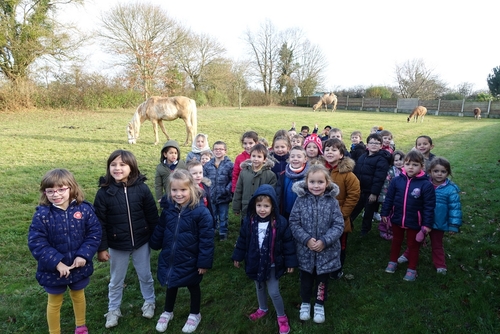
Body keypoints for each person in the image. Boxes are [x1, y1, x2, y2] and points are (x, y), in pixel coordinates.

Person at [28, 169, 101, 334]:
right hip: (53, 270)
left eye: (61, 189)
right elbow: (37, 242)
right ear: (45, 192)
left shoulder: (84, 210)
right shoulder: (42, 215)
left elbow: (94, 233)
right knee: (54, 302)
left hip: (78, 266)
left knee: (78, 295)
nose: (56, 194)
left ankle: (81, 326)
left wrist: (84, 255)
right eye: (50, 191)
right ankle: (54, 331)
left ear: (72, 188)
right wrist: (57, 263)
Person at [94, 150, 159, 328]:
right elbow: (99, 223)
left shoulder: (142, 189)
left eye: (122, 164)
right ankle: (113, 309)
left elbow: (152, 215)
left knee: (145, 275)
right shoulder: (104, 193)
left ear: (131, 167)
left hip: (141, 242)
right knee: (116, 280)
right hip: (117, 245)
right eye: (113, 164)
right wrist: (102, 248)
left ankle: (149, 302)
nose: (117, 168)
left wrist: (157, 238)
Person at [150, 169, 214, 333]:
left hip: (191, 259)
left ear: (192, 189)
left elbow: (207, 240)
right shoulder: (169, 209)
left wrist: (203, 262)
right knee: (171, 283)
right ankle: (168, 311)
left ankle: (194, 314)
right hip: (171, 257)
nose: (178, 194)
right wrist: (155, 242)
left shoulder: (201, 212)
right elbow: (162, 227)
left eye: (183, 190)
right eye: (174, 190)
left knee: (193, 285)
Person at [232, 185, 298, 334]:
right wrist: (238, 256)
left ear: (273, 206)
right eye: (259, 205)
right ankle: (263, 308)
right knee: (259, 286)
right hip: (255, 262)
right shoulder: (249, 222)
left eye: (266, 206)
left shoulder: (279, 223)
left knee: (273, 291)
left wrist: (290, 262)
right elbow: (243, 240)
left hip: (273, 264)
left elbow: (288, 244)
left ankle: (282, 317)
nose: (262, 209)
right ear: (254, 206)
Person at [288, 164, 344, 324]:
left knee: (322, 280)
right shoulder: (300, 200)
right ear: (306, 182)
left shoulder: (332, 202)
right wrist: (306, 239)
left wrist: (324, 241)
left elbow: (338, 225)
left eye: (320, 182)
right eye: (312, 182)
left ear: (327, 183)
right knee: (305, 279)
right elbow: (294, 222)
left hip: (326, 251)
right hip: (305, 250)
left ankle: (319, 304)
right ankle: (305, 302)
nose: (316, 186)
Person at [398, 157, 462, 275]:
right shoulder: (424, 184)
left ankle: (440, 264)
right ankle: (407, 254)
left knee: (437, 244)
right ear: (430, 172)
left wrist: (453, 225)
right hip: (422, 220)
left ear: (448, 173)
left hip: (438, 222)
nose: (439, 174)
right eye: (436, 171)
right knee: (415, 240)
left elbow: (455, 208)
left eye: (443, 172)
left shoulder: (450, 190)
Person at [380, 150, 435, 282]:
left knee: (413, 245)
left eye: (415, 164)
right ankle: (393, 261)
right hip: (397, 218)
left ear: (422, 166)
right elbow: (389, 198)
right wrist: (385, 212)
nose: (411, 167)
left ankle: (412, 269)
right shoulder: (397, 181)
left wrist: (427, 224)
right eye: (408, 164)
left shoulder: (426, 184)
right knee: (396, 241)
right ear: (403, 165)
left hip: (415, 221)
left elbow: (429, 206)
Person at [322, 139, 360, 279]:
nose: (330, 152)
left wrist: (342, 214)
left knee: (339, 245)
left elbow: (354, 195)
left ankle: (336, 270)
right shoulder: (319, 170)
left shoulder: (348, 175)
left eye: (334, 150)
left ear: (341, 154)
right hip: (320, 216)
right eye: (327, 149)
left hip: (339, 218)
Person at [349, 133, 391, 236]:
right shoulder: (363, 156)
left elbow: (379, 178)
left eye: (377, 143)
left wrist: (374, 193)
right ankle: (348, 224)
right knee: (354, 208)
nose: (374, 145)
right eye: (371, 143)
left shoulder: (382, 159)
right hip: (360, 189)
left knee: (368, 212)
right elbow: (357, 171)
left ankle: (365, 230)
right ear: (367, 145)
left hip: (370, 191)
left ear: (381, 146)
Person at [233, 143, 277, 218]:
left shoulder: (270, 175)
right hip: (246, 208)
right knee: (246, 227)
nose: (256, 159)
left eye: (259, 157)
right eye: (253, 156)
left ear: (264, 159)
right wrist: (236, 207)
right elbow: (238, 190)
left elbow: (272, 194)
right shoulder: (244, 172)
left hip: (262, 210)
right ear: (250, 157)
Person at [203, 141, 234, 241]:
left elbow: (232, 179)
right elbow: (203, 178)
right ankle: (214, 229)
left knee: (223, 215)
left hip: (224, 196)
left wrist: (227, 189)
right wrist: (207, 190)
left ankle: (223, 231)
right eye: (216, 149)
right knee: (212, 214)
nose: (218, 151)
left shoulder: (229, 165)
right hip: (211, 195)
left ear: (225, 151)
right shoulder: (207, 165)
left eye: (221, 149)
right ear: (212, 151)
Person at [377, 150, 405, 240]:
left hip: (401, 199)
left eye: (401, 160)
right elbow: (385, 185)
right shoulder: (391, 171)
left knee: (396, 215)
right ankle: (384, 230)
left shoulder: (407, 171)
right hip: (389, 198)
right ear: (393, 162)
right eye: (396, 160)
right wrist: (383, 198)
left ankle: (394, 230)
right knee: (387, 215)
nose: (399, 162)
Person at [277, 145, 309, 220]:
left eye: (299, 157)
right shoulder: (283, 175)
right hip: (285, 212)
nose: (295, 159)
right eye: (292, 156)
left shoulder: (309, 175)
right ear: (289, 158)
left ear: (305, 159)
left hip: (302, 214)